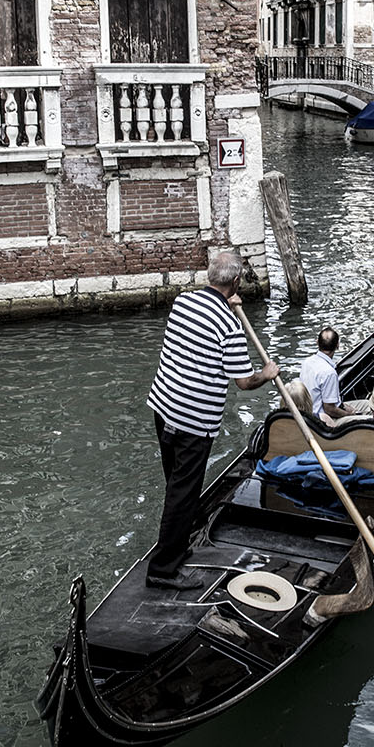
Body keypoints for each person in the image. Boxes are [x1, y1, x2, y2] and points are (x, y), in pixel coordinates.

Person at [146, 251, 279, 587]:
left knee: (177, 488)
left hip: (164, 409)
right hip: (193, 422)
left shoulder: (183, 302)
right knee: (182, 494)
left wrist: (229, 306)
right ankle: (163, 570)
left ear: (211, 276)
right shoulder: (229, 326)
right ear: (234, 281)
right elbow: (244, 382)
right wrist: (267, 373)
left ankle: (180, 542)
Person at [298, 327, 368, 421]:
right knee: (369, 414)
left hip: (309, 415)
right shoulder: (329, 373)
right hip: (324, 421)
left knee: (366, 405)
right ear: (337, 346)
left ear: (317, 343)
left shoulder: (307, 362)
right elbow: (329, 410)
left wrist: (345, 407)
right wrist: (349, 415)